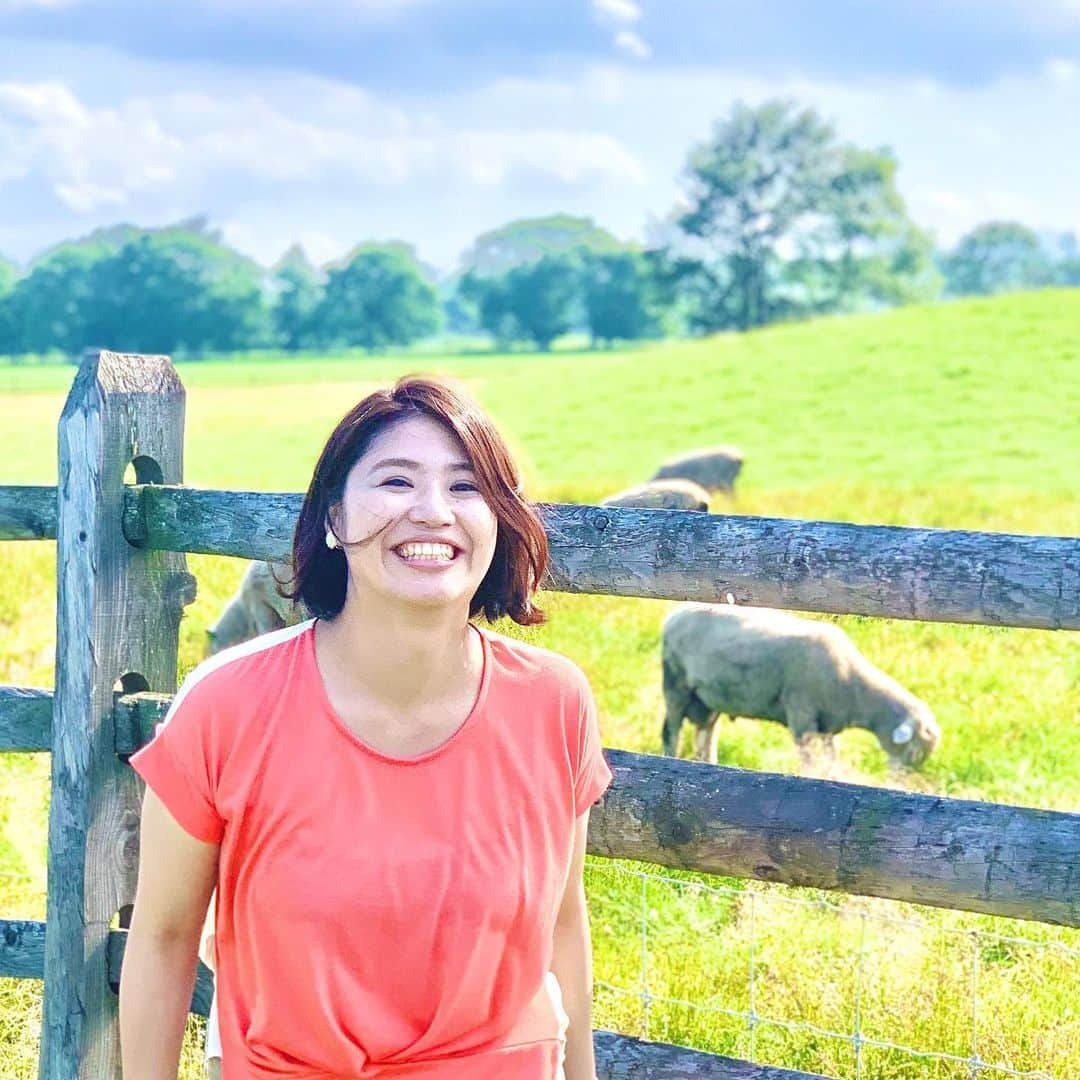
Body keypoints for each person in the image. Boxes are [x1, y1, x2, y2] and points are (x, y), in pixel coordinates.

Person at [119, 374, 614, 1080]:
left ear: (499, 519)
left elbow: (562, 923)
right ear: (332, 518)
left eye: (467, 487)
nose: (433, 512)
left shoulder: (555, 702)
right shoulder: (226, 705)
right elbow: (165, 939)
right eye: (395, 482)